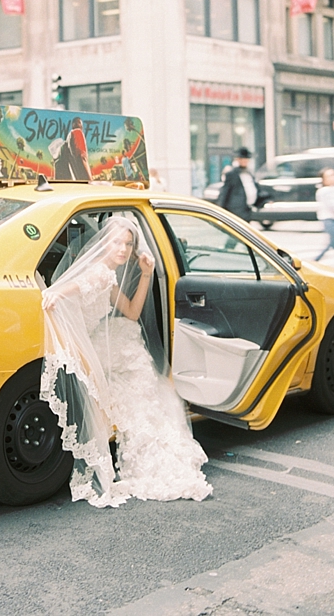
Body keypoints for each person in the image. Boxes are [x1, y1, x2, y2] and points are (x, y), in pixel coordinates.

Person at [40, 216, 212, 507]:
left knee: (132, 343)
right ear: (103, 244)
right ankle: (151, 444)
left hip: (97, 339)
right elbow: (78, 284)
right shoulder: (100, 274)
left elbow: (131, 312)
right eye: (116, 242)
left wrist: (146, 274)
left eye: (128, 243)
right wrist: (55, 293)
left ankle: (149, 437)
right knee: (139, 363)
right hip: (92, 346)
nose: (122, 249)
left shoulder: (107, 274)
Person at [216, 147, 259, 221]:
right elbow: (225, 192)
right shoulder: (232, 174)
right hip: (236, 211)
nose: (245, 161)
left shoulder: (249, 173)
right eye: (243, 159)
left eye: (246, 159)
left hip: (247, 210)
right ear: (238, 160)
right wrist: (220, 210)